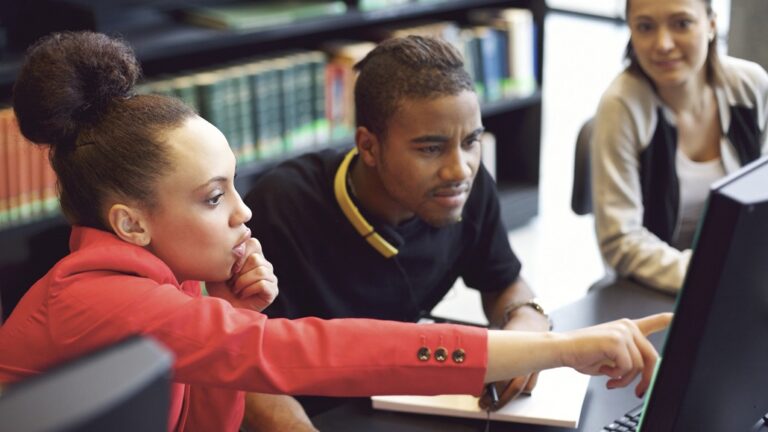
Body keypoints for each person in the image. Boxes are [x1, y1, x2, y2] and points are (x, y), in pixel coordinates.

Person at [0, 31, 671, 432]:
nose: (245, 211)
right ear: (130, 223)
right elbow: (307, 353)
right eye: (214, 197)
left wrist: (228, 311)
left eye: (234, 184)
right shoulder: (105, 299)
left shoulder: (168, 287)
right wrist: (559, 351)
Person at [241, 35, 571, 430]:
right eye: (431, 149)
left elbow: (503, 280)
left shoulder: (468, 186)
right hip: (315, 411)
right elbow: (244, 366)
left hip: (399, 398)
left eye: (471, 142)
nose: (460, 169)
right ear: (368, 147)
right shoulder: (281, 207)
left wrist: (527, 327)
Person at [591, 0, 768, 292]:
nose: (663, 44)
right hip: (654, 289)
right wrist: (708, 274)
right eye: (645, 27)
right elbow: (620, 240)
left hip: (743, 277)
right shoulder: (620, 106)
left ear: (711, 24)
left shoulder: (751, 86)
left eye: (681, 23)